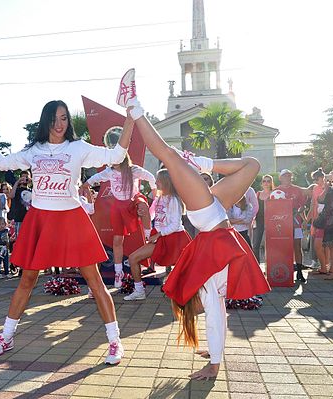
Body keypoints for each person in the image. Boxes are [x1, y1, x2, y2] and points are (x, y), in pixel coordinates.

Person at [116, 68, 270, 379]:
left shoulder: (209, 287)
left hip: (210, 218)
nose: (198, 308)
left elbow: (216, 317)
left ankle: (133, 106)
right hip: (214, 217)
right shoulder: (210, 291)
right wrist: (214, 363)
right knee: (248, 164)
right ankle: (136, 107)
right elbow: (217, 317)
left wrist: (214, 357)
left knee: (171, 157)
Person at [0, 94, 134, 365]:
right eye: (54, 119)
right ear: (46, 122)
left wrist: (131, 116)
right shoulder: (34, 150)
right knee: (27, 280)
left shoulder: (79, 147)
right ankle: (6, 336)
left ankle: (114, 341)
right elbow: (2, 163)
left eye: (64, 118)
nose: (59, 124)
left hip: (72, 218)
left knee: (94, 281)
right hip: (41, 219)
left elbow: (117, 155)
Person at [83, 155, 156, 288]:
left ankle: (148, 234)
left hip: (132, 200)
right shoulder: (109, 171)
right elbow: (94, 179)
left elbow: (150, 177)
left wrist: (154, 191)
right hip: (118, 205)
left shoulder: (133, 170)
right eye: (111, 160)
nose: (112, 162)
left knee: (143, 205)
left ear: (122, 158)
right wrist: (84, 186)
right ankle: (118, 272)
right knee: (117, 240)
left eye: (115, 160)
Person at [124, 169, 191, 301]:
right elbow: (153, 215)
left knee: (184, 269)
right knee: (133, 258)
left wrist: (158, 234)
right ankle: (139, 291)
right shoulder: (159, 197)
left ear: (166, 182)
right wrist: (143, 216)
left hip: (175, 238)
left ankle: (190, 295)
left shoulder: (174, 200)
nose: (155, 182)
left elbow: (176, 225)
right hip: (161, 237)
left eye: (158, 180)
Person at [275, 169, 314, 282]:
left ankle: (300, 271)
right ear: (280, 178)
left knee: (297, 246)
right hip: (282, 224)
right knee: (284, 247)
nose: (287, 178)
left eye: (289, 176)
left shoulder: (297, 189)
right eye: (285, 176)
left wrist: (303, 218)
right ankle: (286, 270)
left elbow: (303, 206)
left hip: (296, 222)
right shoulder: (277, 191)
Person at [308, 168, 329, 273]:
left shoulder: (329, 188)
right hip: (316, 220)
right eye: (314, 180)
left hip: (327, 219)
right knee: (317, 243)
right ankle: (323, 266)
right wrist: (307, 219)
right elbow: (312, 205)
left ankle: (326, 266)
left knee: (325, 244)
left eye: (316, 179)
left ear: (322, 178)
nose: (315, 182)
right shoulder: (315, 188)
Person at [252, 175, 274, 263]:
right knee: (255, 245)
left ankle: (271, 265)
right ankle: (257, 266)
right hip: (259, 221)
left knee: (271, 245)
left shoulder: (274, 193)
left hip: (271, 222)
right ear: (261, 183)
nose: (266, 183)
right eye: (264, 181)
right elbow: (253, 207)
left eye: (268, 181)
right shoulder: (258, 194)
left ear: (271, 183)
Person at [8, 170, 32, 237]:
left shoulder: (31, 190)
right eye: (22, 177)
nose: (24, 179)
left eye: (26, 177)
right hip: (19, 218)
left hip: (30, 218)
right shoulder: (17, 189)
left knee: (29, 238)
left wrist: (32, 181)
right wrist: (18, 182)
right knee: (19, 238)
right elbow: (11, 196)